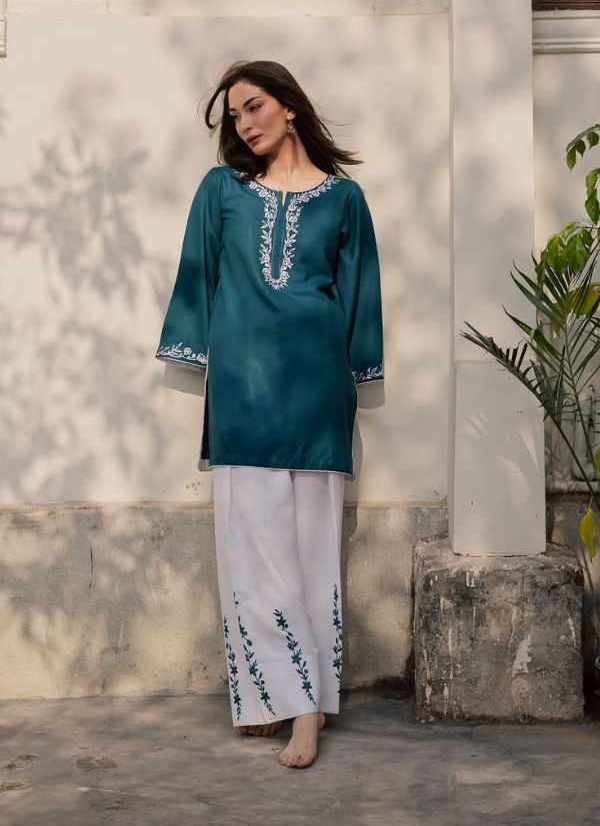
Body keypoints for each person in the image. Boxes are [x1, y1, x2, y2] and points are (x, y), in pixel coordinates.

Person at [156, 60, 384, 768]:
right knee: (255, 559)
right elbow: (199, 278)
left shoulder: (344, 201)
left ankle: (303, 709)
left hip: (316, 393)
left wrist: (355, 378)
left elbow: (358, 300)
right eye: (234, 116)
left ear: (289, 106)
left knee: (312, 557)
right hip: (244, 394)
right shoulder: (221, 191)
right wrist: (200, 355)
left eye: (253, 107)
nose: (244, 124)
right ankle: (275, 699)